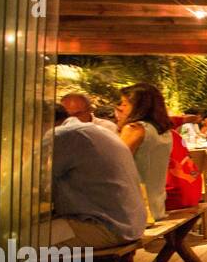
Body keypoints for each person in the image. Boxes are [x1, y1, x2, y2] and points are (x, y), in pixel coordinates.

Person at [50, 104, 147, 250]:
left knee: (16, 240)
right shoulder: (96, 130)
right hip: (131, 223)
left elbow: (29, 182)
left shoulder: (60, 136)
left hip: (106, 227)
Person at [114, 82, 175, 221]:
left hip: (136, 208)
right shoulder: (165, 131)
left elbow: (115, 164)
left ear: (139, 106)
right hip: (157, 206)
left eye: (124, 103)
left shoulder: (134, 129)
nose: (120, 108)